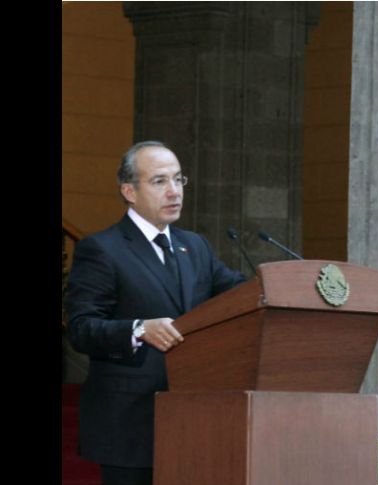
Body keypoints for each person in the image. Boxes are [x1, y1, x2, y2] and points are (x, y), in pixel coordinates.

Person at [65, 141, 247, 485]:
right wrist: (137, 329)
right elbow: (80, 328)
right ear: (129, 191)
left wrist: (286, 285)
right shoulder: (102, 249)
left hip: (195, 416)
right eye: (160, 181)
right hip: (130, 423)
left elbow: (239, 293)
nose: (174, 191)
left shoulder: (195, 246)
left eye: (179, 180)